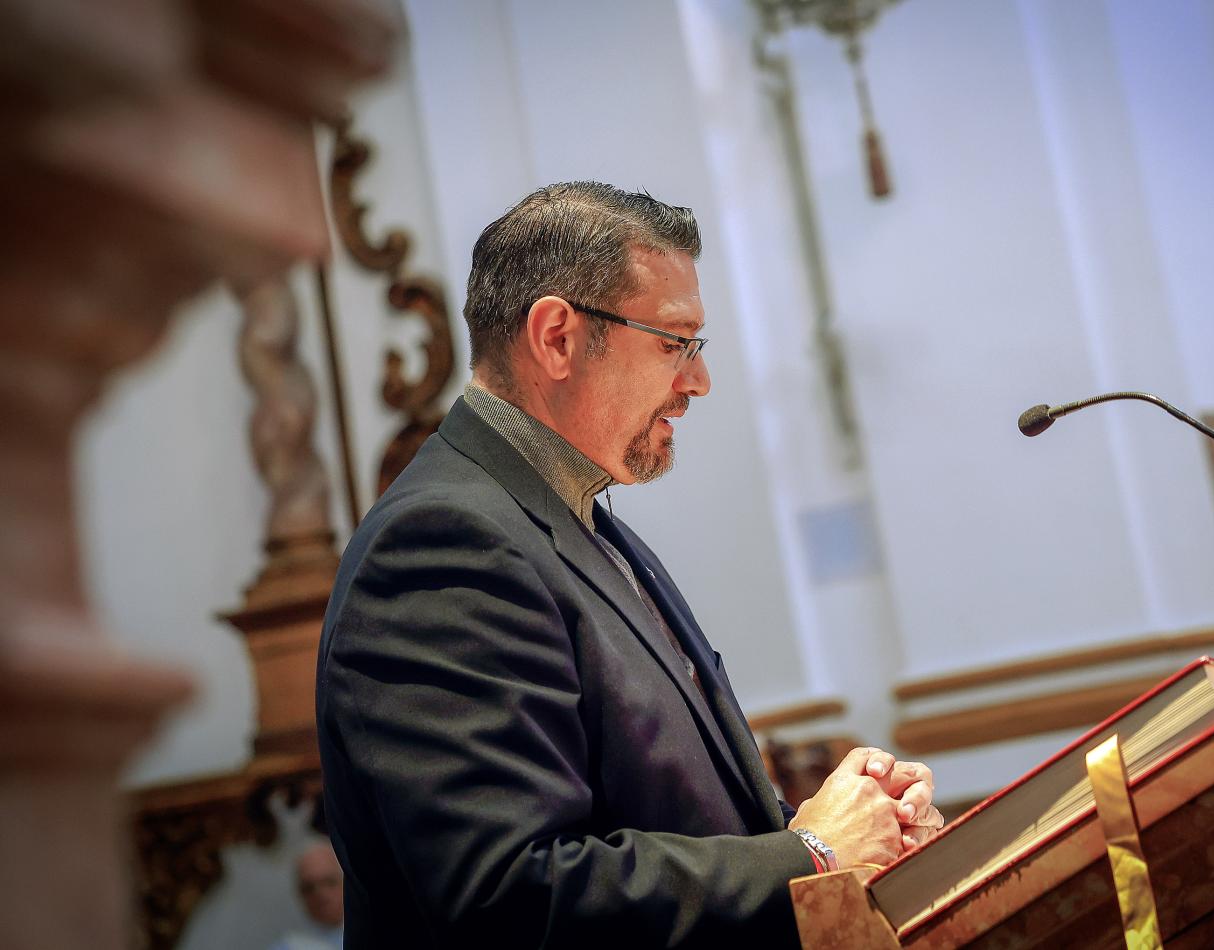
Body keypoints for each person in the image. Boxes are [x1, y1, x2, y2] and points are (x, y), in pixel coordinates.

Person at [316, 181, 943, 948]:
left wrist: (849, 829)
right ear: (557, 337)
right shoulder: (442, 544)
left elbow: (679, 815)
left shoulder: (574, 517)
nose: (697, 381)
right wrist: (808, 856)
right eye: (674, 342)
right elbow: (509, 895)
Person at [270, 839, 344, 950]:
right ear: (300, 895)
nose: (321, 894)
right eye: (309, 888)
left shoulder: (374, 933)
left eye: (329, 882)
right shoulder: (289, 946)